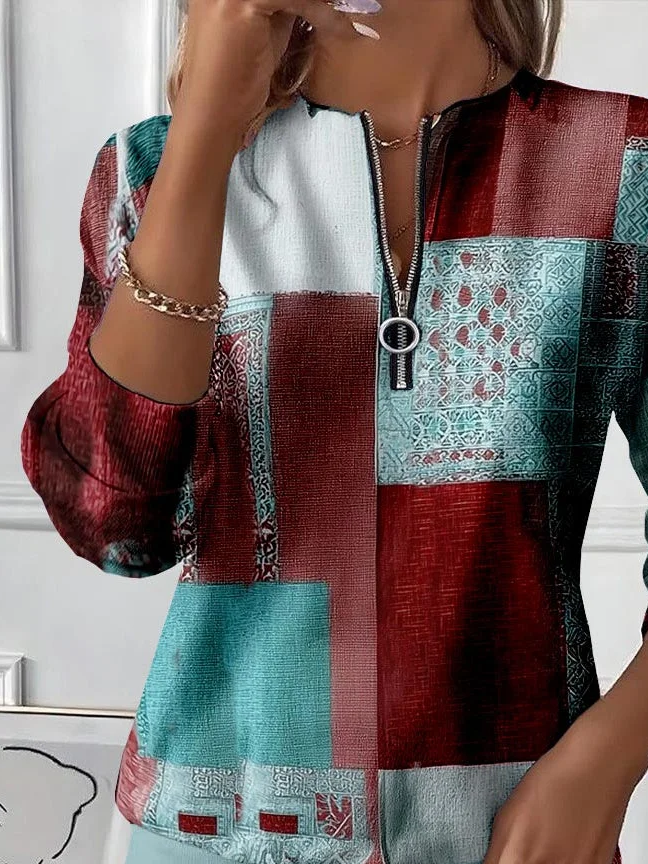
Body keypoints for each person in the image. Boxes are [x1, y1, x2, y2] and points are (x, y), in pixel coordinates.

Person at [19, 0, 648, 861]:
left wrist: (605, 763)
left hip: (514, 828)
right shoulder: (152, 170)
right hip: (210, 829)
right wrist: (206, 130)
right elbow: (114, 522)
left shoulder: (622, 165)